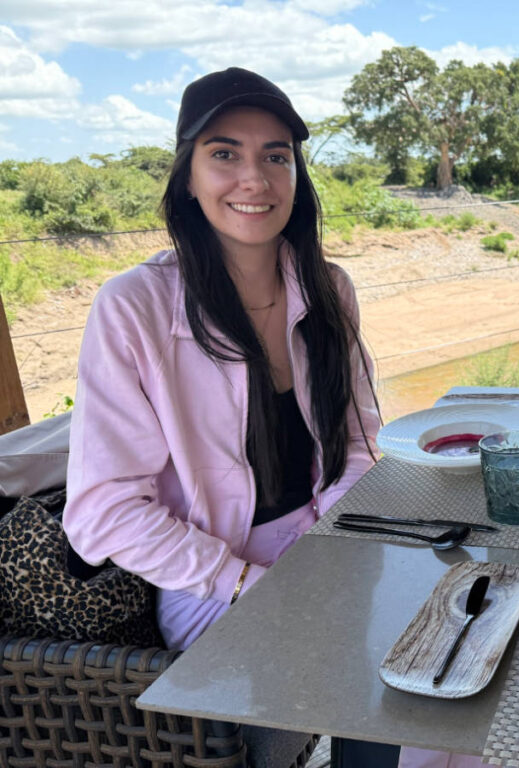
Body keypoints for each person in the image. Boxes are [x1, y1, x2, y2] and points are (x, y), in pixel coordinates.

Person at [63, 67, 384, 766]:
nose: (255, 179)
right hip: (215, 581)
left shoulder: (329, 289)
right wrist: (249, 582)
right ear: (187, 176)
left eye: (277, 155)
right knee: (385, 684)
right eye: (224, 153)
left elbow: (358, 442)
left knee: (464, 634)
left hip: (328, 548)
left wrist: (334, 545)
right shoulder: (136, 308)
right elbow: (102, 509)